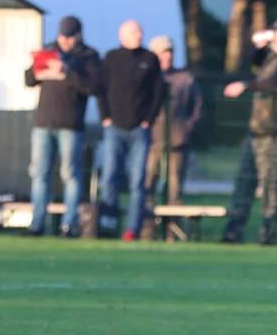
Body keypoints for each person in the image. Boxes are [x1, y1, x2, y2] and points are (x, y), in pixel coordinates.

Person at [221, 22, 277, 245]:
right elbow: (255, 61)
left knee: (271, 184)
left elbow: (273, 82)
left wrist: (245, 86)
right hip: (257, 130)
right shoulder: (272, 58)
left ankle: (268, 233)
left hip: (273, 131)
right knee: (244, 181)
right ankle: (233, 231)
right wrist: (260, 47)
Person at [22, 15, 101, 237]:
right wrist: (38, 65)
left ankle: (69, 225)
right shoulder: (49, 50)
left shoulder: (88, 57)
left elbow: (92, 87)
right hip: (44, 123)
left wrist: (66, 70)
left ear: (79, 35)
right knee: (39, 173)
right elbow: (29, 80)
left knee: (70, 175)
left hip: (70, 124)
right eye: (62, 37)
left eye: (70, 37)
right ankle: (37, 223)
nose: (65, 42)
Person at [98, 20, 166, 241]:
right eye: (135, 32)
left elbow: (158, 92)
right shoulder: (110, 58)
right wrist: (105, 117)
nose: (140, 35)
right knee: (109, 178)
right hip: (114, 127)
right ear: (122, 35)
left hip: (139, 129)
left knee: (138, 182)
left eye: (140, 31)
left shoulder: (149, 59)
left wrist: (149, 119)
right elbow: (101, 89)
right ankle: (109, 224)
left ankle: (131, 230)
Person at [143, 36, 203, 238]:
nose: (166, 56)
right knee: (148, 184)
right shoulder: (147, 77)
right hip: (152, 140)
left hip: (178, 140)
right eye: (161, 52)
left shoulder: (184, 78)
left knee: (175, 188)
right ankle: (147, 230)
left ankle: (172, 232)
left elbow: (198, 106)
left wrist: (187, 128)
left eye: (169, 51)